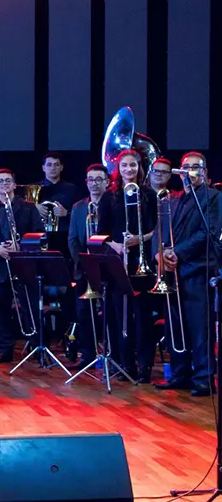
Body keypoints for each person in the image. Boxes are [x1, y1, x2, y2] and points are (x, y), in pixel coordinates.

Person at [154, 152, 219, 396]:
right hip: (173, 271)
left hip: (197, 270)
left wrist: (177, 253)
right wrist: (160, 255)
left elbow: (208, 233)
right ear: (179, 172)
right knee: (174, 325)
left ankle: (203, 378)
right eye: (187, 167)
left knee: (200, 327)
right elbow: (158, 230)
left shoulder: (213, 197)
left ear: (204, 172)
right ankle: (179, 374)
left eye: (196, 168)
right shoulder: (172, 200)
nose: (191, 171)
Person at [0, 169, 45, 363]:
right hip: (0, 267)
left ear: (15, 185)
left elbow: (39, 235)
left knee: (30, 307)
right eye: (1, 181)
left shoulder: (29, 208)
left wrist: (21, 246)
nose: (5, 184)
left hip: (25, 265)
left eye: (9, 181)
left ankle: (37, 346)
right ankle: (4, 349)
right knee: (1, 309)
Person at [106, 149, 156, 382]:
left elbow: (156, 229)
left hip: (142, 261)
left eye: (133, 165)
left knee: (143, 317)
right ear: (119, 169)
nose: (129, 170)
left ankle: (145, 366)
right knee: (120, 316)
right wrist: (116, 245)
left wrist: (139, 239)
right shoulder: (110, 196)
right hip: (119, 261)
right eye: (125, 166)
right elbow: (101, 233)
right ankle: (125, 366)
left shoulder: (148, 194)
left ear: (139, 167)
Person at [67, 164, 112, 370]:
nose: (94, 183)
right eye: (90, 180)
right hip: (85, 268)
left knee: (111, 312)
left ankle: (112, 355)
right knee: (84, 313)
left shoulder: (113, 203)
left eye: (98, 179)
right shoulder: (78, 207)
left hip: (109, 266)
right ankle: (88, 355)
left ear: (107, 182)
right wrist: (83, 262)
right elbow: (73, 239)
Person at [36, 152, 78, 233]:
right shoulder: (33, 188)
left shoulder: (72, 189)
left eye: (56, 165)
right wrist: (34, 208)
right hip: (39, 234)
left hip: (64, 234)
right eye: (49, 165)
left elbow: (80, 214)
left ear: (61, 167)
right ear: (43, 168)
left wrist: (66, 213)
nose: (53, 168)